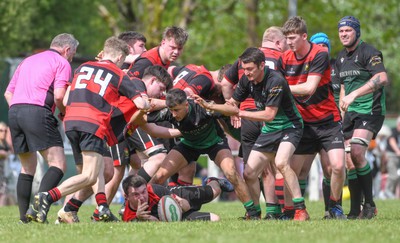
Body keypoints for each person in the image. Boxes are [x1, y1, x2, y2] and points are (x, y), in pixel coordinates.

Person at [28, 36, 174, 224]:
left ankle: (93, 208)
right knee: (89, 176)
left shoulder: (82, 67)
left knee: (99, 171)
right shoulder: (119, 74)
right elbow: (141, 103)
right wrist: (146, 102)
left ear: (104, 52)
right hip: (93, 123)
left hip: (71, 122)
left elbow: (65, 100)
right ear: (121, 58)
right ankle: (47, 197)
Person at [195, 47, 309, 221]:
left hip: (289, 127)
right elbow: (232, 104)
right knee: (249, 173)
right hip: (270, 130)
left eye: (250, 69)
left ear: (262, 65)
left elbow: (269, 115)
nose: (246, 73)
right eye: (244, 68)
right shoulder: (246, 80)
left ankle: (300, 210)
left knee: (281, 162)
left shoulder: (276, 80)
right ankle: (254, 213)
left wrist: (240, 113)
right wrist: (210, 106)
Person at [146, 88, 259, 219]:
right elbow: (143, 118)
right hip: (189, 144)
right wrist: (139, 110)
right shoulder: (169, 112)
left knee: (231, 173)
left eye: (177, 110)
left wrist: (209, 105)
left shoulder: (202, 107)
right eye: (172, 110)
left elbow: (234, 110)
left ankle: (253, 213)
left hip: (214, 143)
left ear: (186, 104)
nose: (174, 114)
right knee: (159, 176)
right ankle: (147, 210)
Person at [3, 33, 79, 223]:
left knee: (27, 168)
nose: (71, 58)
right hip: (37, 112)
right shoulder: (62, 63)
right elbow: (60, 96)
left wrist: (18, 111)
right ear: (67, 49)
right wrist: (64, 113)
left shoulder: (27, 61)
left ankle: (24, 218)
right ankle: (37, 207)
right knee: (58, 164)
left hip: (15, 111)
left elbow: (7, 93)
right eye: (73, 54)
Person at [278, 16, 346, 219]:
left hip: (327, 121)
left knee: (337, 166)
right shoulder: (284, 58)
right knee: (294, 170)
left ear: (304, 36)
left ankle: (334, 207)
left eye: (293, 37)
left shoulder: (319, 53)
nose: (289, 42)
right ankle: (290, 211)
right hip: (301, 123)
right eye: (287, 38)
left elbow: (309, 87)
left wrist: (280, 88)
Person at [221, 26, 289, 218]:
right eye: (285, 42)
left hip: (247, 116)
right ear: (278, 42)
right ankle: (275, 211)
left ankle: (254, 213)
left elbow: (225, 83)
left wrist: (233, 110)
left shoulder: (244, 58)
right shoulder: (282, 58)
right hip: (271, 114)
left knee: (252, 169)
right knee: (274, 167)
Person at [334, 15, 389, 219]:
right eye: (341, 31)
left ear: (357, 31)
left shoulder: (370, 52)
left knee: (357, 152)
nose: (344, 34)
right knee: (350, 162)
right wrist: (342, 112)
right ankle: (354, 210)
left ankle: (370, 205)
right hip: (350, 115)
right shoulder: (340, 58)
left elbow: (382, 78)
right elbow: (342, 88)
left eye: (348, 30)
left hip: (370, 111)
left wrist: (355, 94)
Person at [309, 32, 342, 219]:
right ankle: (326, 210)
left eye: (325, 46)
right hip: (310, 124)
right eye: (318, 46)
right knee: (324, 168)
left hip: (333, 121)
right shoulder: (307, 68)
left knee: (334, 167)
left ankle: (338, 209)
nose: (322, 49)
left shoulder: (337, 67)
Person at [122, 175, 234, 222]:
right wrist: (142, 218)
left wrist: (179, 203)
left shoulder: (154, 190)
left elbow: (186, 206)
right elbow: (159, 224)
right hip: (174, 217)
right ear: (126, 197)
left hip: (176, 194)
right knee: (215, 219)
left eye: (143, 192)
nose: (142, 197)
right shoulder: (129, 218)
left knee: (214, 192)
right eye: (136, 194)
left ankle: (214, 181)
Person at [383, 117, 400, 198]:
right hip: (392, 156)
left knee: (397, 177)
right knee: (393, 175)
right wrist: (397, 151)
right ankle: (387, 191)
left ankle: (392, 193)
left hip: (398, 157)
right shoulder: (393, 131)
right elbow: (392, 141)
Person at [0, 122, 13, 206]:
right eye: (1, 130)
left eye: (5, 131)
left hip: (3, 173)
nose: (3, 133)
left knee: (4, 192)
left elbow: (11, 151)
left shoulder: (5, 144)